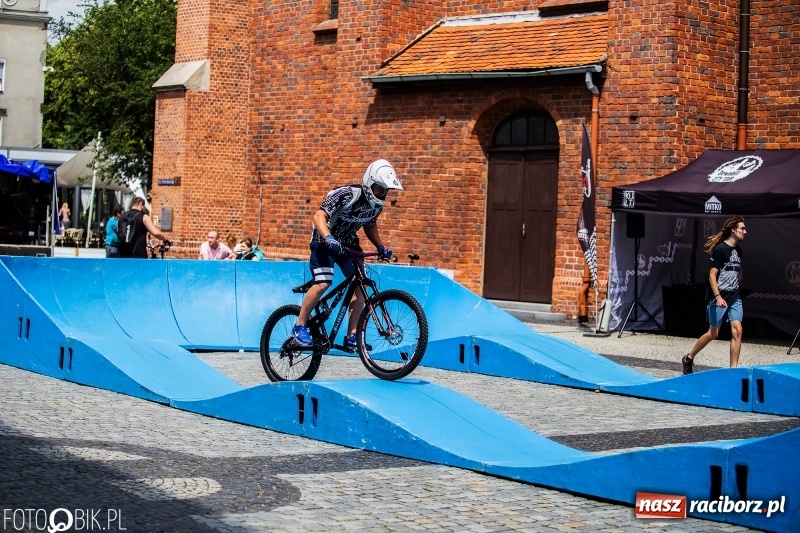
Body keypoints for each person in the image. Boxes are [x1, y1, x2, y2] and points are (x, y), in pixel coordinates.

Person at [292, 159, 402, 350]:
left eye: (385, 190)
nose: (382, 194)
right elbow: (319, 216)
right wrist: (328, 237)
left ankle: (352, 336)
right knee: (323, 283)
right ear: (369, 183)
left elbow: (369, 224)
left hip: (349, 243)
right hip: (324, 239)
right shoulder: (345, 194)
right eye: (379, 189)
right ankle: (299, 326)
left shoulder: (377, 206)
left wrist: (380, 245)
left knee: (360, 286)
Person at [682, 216, 747, 374]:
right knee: (713, 333)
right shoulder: (720, 249)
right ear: (733, 229)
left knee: (737, 330)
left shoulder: (738, 251)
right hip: (719, 296)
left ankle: (733, 371)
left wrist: (739, 277)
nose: (745, 231)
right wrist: (718, 297)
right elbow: (712, 275)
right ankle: (689, 357)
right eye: (742, 228)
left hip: (734, 296)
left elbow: (736, 269)